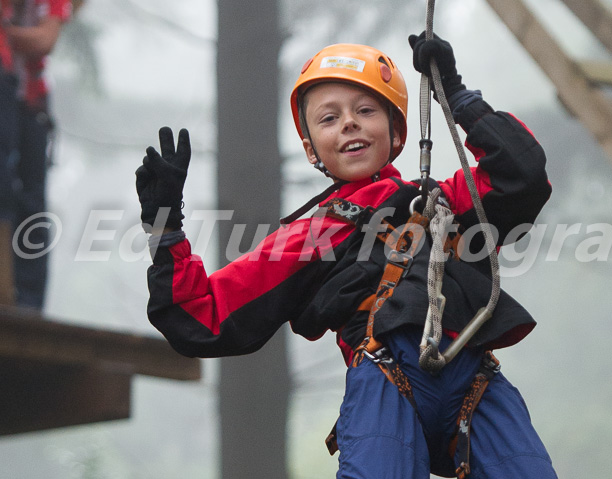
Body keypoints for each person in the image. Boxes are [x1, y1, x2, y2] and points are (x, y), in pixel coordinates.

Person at [136, 34, 557, 479]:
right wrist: (165, 229)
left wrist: (455, 92)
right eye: (330, 118)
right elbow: (204, 314)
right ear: (311, 148)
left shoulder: (441, 203)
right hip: (386, 382)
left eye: (366, 111)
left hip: (474, 382)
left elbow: (520, 174)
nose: (349, 124)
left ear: (397, 131)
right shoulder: (312, 236)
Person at [0, 0, 72, 309]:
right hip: (8, 94)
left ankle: (29, 302)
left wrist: (6, 34)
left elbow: (45, 40)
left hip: (30, 103)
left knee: (32, 205)